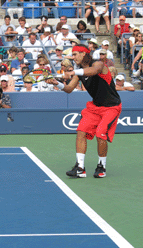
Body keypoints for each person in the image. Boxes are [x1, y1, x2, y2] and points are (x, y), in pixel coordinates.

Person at [48, 44, 122, 178]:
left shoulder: (99, 64)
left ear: (84, 54)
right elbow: (69, 89)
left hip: (111, 107)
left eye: (75, 54)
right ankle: (80, 168)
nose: (73, 57)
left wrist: (74, 72)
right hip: (94, 107)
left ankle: (101, 166)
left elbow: (93, 71)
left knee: (100, 134)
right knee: (81, 131)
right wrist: (56, 83)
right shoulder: (80, 71)